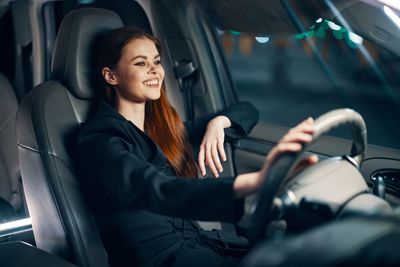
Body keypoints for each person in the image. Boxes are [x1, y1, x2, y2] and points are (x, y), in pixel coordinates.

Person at [76, 26, 318, 267]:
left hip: (203, 247)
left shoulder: (163, 130)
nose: (154, 70)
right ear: (111, 76)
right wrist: (258, 180)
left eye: (157, 61)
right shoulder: (100, 139)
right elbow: (157, 188)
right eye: (140, 63)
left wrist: (218, 123)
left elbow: (247, 110)